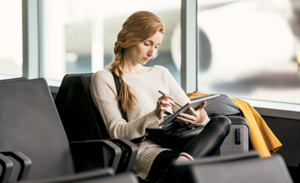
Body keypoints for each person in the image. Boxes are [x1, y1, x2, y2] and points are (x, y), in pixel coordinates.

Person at [91, 11, 231, 181]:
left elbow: (197, 115)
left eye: (156, 46)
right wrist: (155, 115)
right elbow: (117, 133)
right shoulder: (104, 78)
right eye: (147, 44)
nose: (152, 53)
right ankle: (180, 169)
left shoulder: (161, 73)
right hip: (145, 149)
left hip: (177, 141)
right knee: (200, 169)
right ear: (130, 38)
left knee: (222, 121)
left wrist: (197, 117)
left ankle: (179, 169)